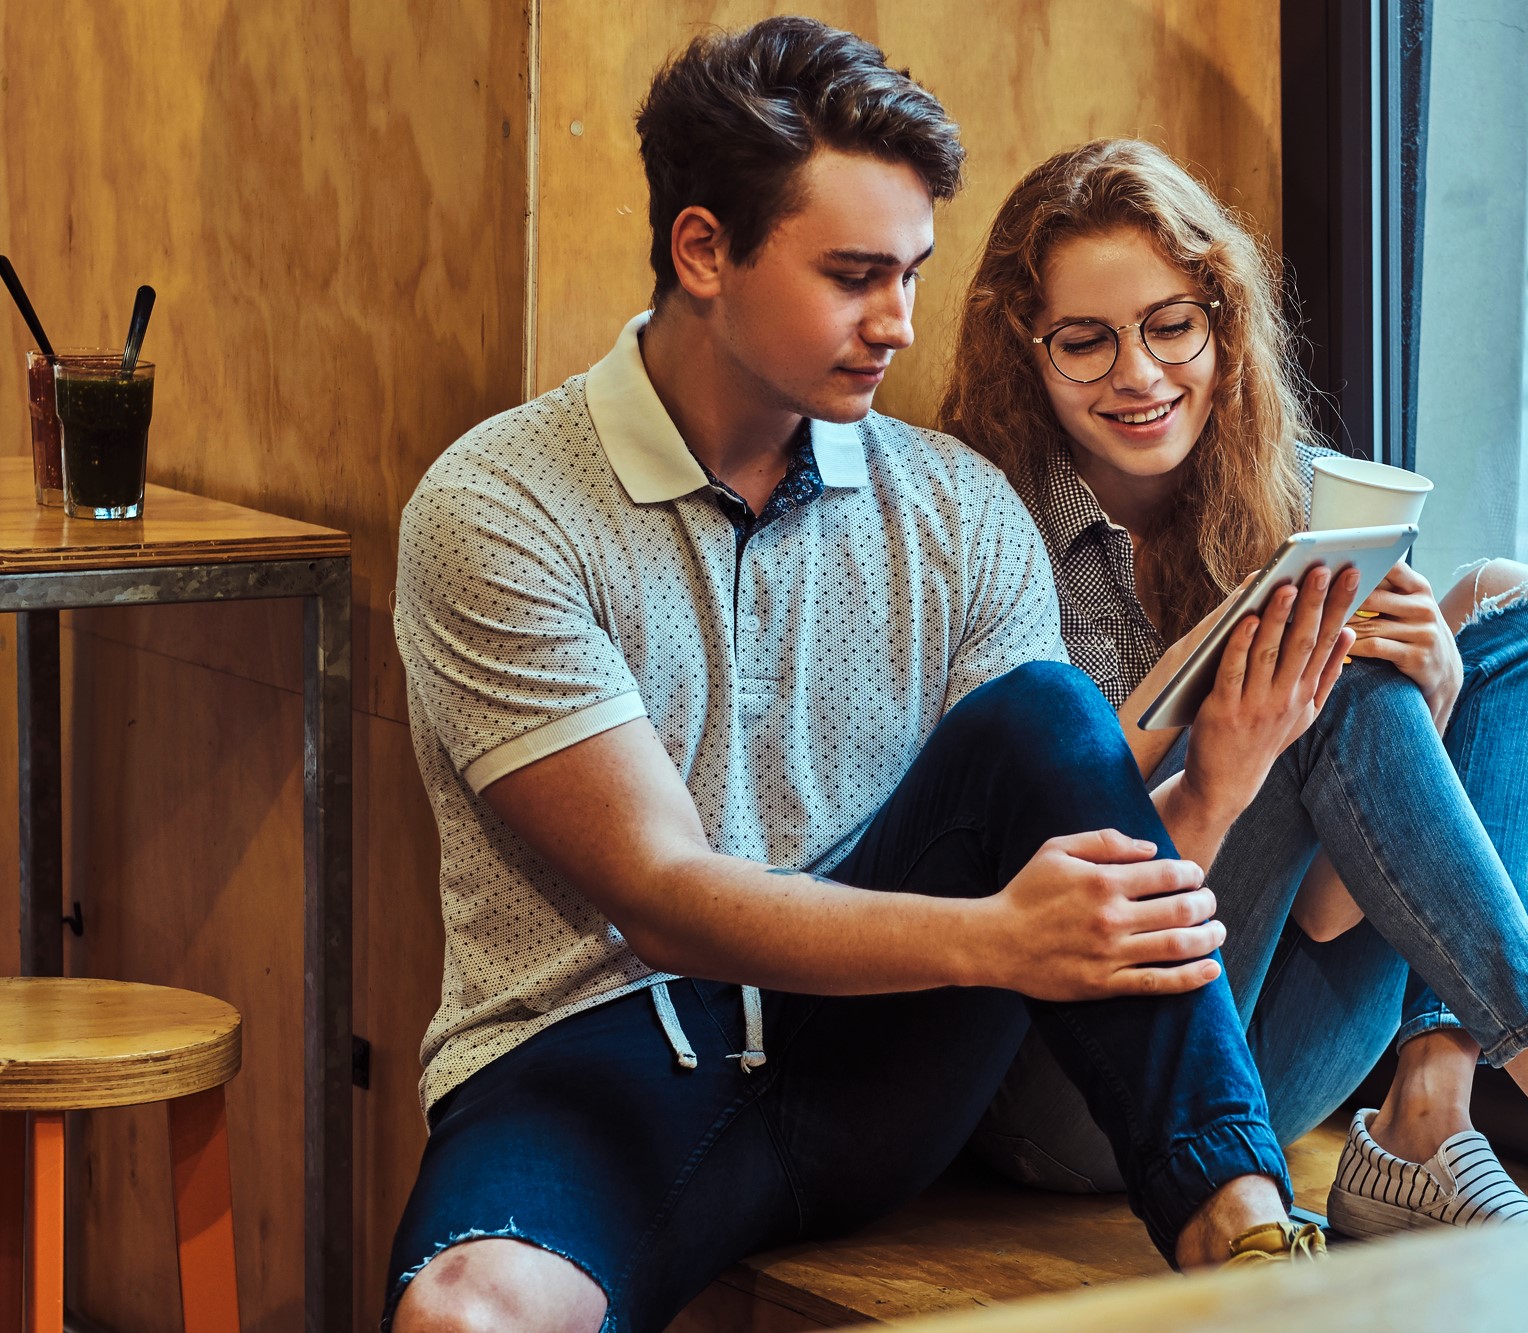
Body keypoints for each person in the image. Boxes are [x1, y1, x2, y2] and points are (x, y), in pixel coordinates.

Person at [384, 22, 1338, 1332]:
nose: (900, 323)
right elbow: (661, 897)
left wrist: (1219, 780)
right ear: (704, 250)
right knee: (461, 1315)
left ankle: (1248, 1237)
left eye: (911, 274)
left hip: (886, 1061)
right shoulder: (499, 507)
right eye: (854, 276)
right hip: (595, 1059)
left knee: (1047, 715)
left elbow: (1062, 817)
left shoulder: (959, 506)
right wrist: (998, 938)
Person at [938, 137, 1528, 1239]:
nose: (1136, 374)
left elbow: (1330, 912)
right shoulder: (979, 526)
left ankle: (1426, 1118)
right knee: (1312, 673)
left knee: (1525, 617)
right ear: (1025, 354)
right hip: (1078, 1093)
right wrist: (1233, 709)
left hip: (1267, 1061)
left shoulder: (1264, 505)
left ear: (1221, 326)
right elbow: (998, 859)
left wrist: (1432, 693)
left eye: (1168, 325)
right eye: (1083, 342)